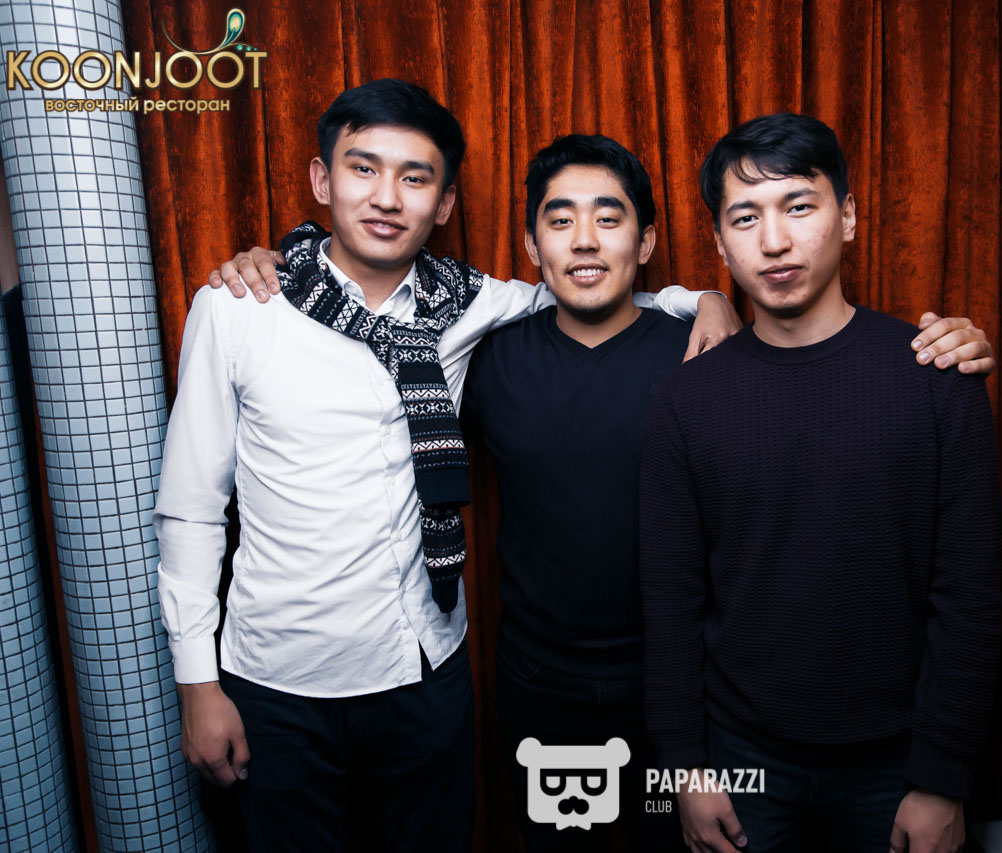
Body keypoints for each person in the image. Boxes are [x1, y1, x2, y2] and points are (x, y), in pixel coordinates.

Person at [153, 79, 733, 853]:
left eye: (415, 177)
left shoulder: (468, 306)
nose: (387, 197)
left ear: (445, 202)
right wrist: (197, 682)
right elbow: (191, 509)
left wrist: (707, 299)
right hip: (280, 679)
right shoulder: (240, 308)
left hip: (426, 668)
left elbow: (591, 292)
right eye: (363, 168)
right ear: (323, 179)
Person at [639, 113, 1002, 853]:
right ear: (720, 242)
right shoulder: (686, 400)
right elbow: (670, 602)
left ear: (849, 215)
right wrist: (684, 767)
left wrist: (942, 779)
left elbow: (971, 593)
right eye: (746, 217)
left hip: (899, 761)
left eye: (799, 205)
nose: (774, 240)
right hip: (740, 757)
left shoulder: (937, 377)